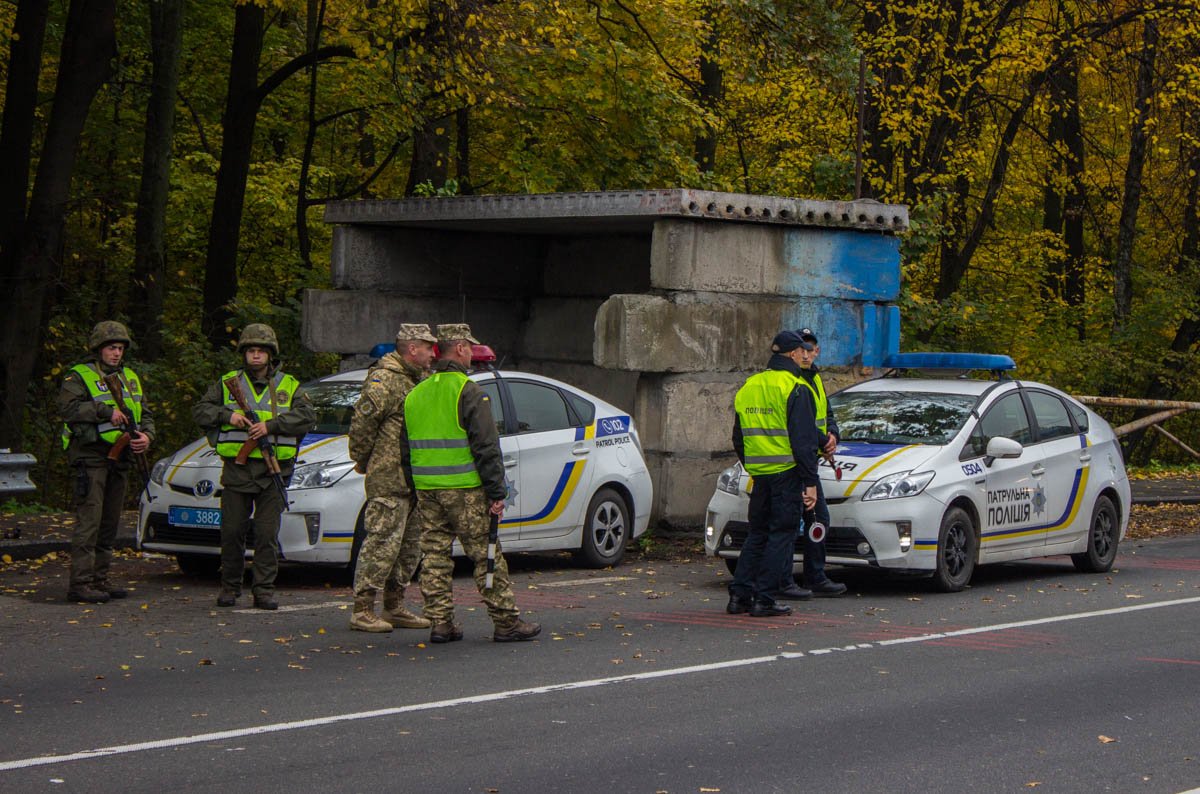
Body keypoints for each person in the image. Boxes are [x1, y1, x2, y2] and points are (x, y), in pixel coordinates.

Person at [401, 323, 541, 644]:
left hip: (427, 490)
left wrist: (416, 487)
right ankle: (505, 621)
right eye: (469, 349)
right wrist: (497, 492)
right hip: (465, 490)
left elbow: (405, 449)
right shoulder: (469, 391)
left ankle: (440, 622)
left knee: (434, 557)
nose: (471, 356)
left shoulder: (415, 394)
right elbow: (486, 447)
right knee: (485, 554)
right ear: (461, 348)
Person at [193, 323, 316, 610]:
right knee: (233, 531)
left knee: (266, 533)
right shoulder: (227, 383)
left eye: (261, 351)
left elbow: (307, 417)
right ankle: (230, 587)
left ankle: (263, 590)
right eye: (251, 350)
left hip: (274, 470)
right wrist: (228, 416)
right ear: (244, 354)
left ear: (270, 354)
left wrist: (270, 426)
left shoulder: (289, 385)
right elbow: (201, 410)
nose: (256, 355)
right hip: (238, 469)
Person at [346, 324, 439, 632]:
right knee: (381, 543)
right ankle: (362, 608)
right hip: (389, 477)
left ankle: (394, 605)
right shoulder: (384, 379)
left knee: (409, 546)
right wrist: (363, 460)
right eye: (428, 347)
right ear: (413, 348)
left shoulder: (421, 379)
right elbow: (362, 425)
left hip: (415, 479)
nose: (432, 353)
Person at [59, 321, 155, 603]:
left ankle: (100, 579)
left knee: (110, 523)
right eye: (111, 348)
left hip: (121, 457)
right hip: (91, 457)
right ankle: (80, 583)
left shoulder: (130, 378)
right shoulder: (78, 376)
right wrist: (105, 411)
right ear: (99, 348)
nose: (116, 353)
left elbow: (145, 412)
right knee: (89, 522)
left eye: (120, 348)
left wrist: (147, 437)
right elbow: (67, 408)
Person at [727, 330, 821, 617]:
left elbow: (738, 438)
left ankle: (740, 595)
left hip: (760, 475)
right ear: (793, 354)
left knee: (757, 534)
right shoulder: (795, 387)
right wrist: (810, 482)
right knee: (782, 534)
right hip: (787, 473)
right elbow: (803, 442)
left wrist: (752, 464)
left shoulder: (750, 386)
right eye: (801, 351)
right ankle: (764, 598)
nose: (805, 355)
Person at [790, 327, 848, 597]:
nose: (806, 354)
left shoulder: (814, 378)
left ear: (817, 352)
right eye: (802, 349)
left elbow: (827, 414)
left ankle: (813, 575)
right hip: (795, 460)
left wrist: (832, 436)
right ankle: (793, 578)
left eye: (810, 349)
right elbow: (798, 424)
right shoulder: (792, 380)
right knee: (795, 521)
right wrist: (821, 439)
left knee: (817, 518)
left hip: (810, 459)